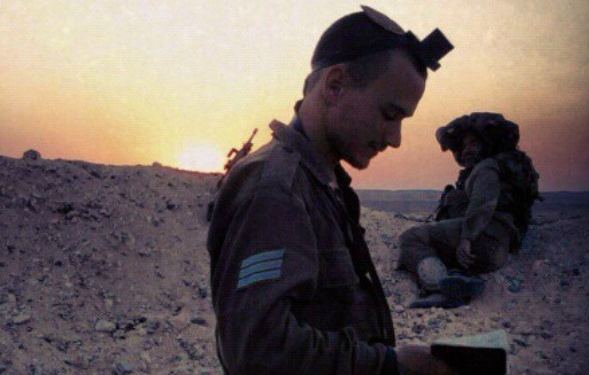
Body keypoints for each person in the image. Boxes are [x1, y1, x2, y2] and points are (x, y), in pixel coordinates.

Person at [207, 6, 455, 374]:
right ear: (335, 85)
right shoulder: (276, 189)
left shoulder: (322, 182)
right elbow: (256, 350)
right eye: (389, 115)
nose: (395, 139)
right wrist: (390, 366)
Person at [398, 112, 540, 309]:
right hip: (498, 246)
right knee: (440, 242)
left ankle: (439, 290)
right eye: (465, 145)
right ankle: (461, 278)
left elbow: (484, 203)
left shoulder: (487, 167)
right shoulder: (503, 170)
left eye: (473, 143)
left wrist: (467, 237)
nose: (467, 150)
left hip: (485, 238)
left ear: (486, 145)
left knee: (412, 237)